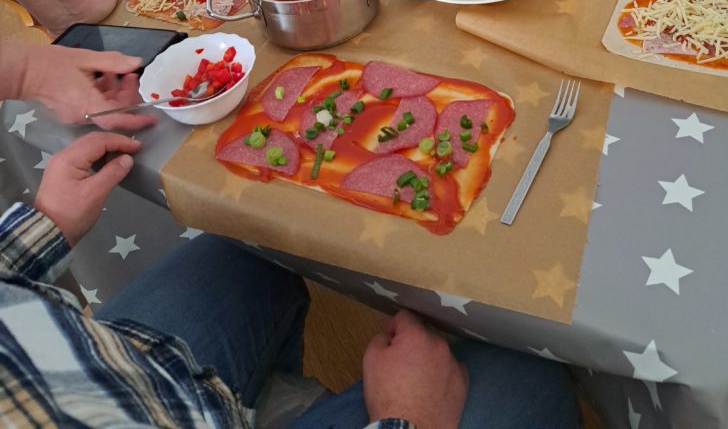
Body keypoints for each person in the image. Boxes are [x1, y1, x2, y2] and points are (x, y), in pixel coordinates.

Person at [0, 129, 580, 428]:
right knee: (525, 365)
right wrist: (408, 418)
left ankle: (277, 390)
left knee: (250, 243)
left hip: (104, 367)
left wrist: (34, 234)